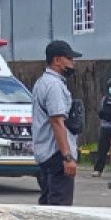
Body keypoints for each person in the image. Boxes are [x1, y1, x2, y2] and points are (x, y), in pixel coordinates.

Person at [32, 40, 82, 205]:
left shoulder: (42, 82)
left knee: (47, 204)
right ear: (57, 60)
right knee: (59, 209)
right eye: (69, 58)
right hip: (57, 155)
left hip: (45, 153)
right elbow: (57, 122)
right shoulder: (54, 86)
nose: (73, 63)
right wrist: (67, 157)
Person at [93, 77, 111, 177]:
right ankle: (98, 169)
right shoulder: (104, 99)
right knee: (102, 149)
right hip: (105, 127)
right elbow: (101, 112)